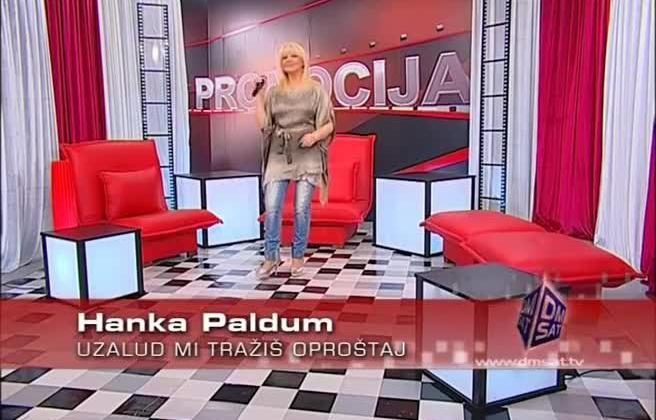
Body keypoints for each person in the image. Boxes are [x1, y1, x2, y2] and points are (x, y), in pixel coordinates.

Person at [254, 41, 335, 278]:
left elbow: (329, 123)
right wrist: (259, 97)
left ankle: (298, 256)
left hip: (307, 153)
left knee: (301, 208)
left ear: (302, 61)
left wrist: (314, 136)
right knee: (272, 207)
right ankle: (271, 258)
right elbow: (264, 125)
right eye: (284, 57)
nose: (288, 60)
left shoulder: (316, 90)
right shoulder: (274, 92)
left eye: (293, 56)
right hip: (279, 153)